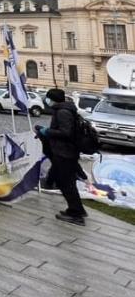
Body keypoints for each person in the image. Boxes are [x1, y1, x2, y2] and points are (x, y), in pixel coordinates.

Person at [35, 88, 88, 225]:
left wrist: (47, 131)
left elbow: (66, 133)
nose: (46, 101)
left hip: (64, 153)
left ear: (52, 99)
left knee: (66, 183)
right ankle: (77, 209)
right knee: (65, 182)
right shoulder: (64, 110)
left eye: (48, 98)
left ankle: (76, 213)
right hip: (64, 152)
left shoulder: (63, 112)